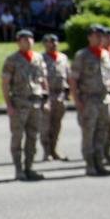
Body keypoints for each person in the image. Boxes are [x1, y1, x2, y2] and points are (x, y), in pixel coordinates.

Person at [0, 30, 48, 182]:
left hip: (36, 102)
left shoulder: (38, 58)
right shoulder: (12, 60)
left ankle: (29, 167)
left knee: (33, 136)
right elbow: (5, 84)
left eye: (30, 38)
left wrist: (46, 100)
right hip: (19, 102)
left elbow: (43, 79)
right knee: (18, 137)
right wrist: (8, 104)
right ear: (18, 42)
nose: (28, 41)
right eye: (24, 39)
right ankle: (18, 169)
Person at [70, 23, 110, 177]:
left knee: (102, 132)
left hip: (104, 99)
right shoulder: (82, 55)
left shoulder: (106, 55)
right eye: (96, 35)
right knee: (89, 133)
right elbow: (73, 80)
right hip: (88, 99)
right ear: (89, 37)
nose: (99, 39)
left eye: (101, 36)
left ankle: (99, 162)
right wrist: (77, 100)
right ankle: (90, 164)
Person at [41, 33, 71, 161]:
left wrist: (69, 92)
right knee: (45, 125)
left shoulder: (63, 58)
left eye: (55, 41)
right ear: (44, 44)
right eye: (50, 41)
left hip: (60, 95)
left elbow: (68, 75)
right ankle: (46, 151)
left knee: (57, 125)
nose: (53, 44)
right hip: (48, 95)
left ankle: (54, 149)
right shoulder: (41, 58)